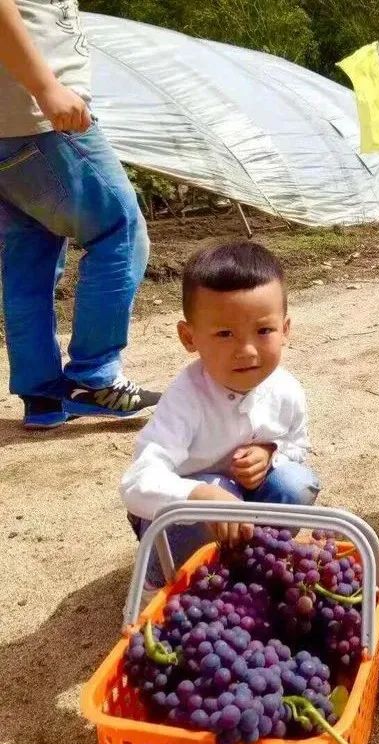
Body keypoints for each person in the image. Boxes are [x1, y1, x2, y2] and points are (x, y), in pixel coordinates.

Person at [121, 240, 320, 586]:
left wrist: (270, 453)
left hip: (240, 509)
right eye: (225, 333)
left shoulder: (286, 389)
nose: (246, 351)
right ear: (189, 337)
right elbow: (136, 484)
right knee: (217, 486)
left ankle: (250, 558)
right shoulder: (186, 399)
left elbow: (296, 445)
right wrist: (199, 496)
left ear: (285, 329)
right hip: (181, 519)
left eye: (263, 331)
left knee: (296, 483)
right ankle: (159, 581)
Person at [0, 0, 159, 429]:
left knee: (29, 257)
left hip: (10, 127)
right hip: (39, 120)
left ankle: (43, 394)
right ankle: (94, 378)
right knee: (118, 231)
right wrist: (46, 88)